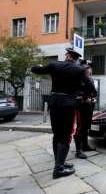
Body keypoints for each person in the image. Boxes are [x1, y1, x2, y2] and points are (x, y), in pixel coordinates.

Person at [31, 48, 95, 179]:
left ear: (67, 55)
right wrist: (84, 97)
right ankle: (58, 169)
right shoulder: (79, 70)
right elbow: (90, 86)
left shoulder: (55, 65)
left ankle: (59, 162)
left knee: (57, 134)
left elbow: (36, 70)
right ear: (76, 59)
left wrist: (36, 65)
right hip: (68, 104)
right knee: (66, 136)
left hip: (54, 102)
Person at [74, 60, 97, 159]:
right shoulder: (78, 79)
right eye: (86, 68)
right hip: (81, 106)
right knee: (80, 127)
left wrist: (93, 99)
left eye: (89, 68)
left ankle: (85, 146)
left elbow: (94, 92)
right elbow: (75, 93)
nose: (88, 70)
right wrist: (83, 99)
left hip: (89, 106)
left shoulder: (91, 79)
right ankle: (78, 150)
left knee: (86, 126)